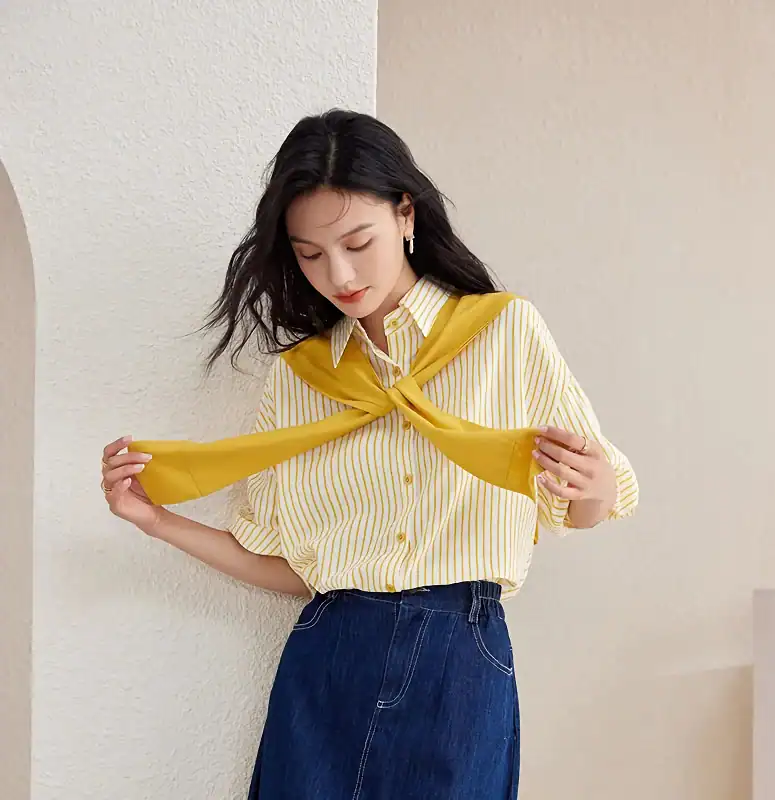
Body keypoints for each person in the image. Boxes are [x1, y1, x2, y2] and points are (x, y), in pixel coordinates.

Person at [100, 109, 638, 799]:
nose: (341, 274)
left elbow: (588, 508)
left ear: (406, 214)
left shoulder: (503, 334)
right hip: (330, 652)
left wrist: (589, 486)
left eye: (358, 241)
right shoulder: (301, 378)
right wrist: (157, 521)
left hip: (460, 660)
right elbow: (296, 568)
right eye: (311, 254)